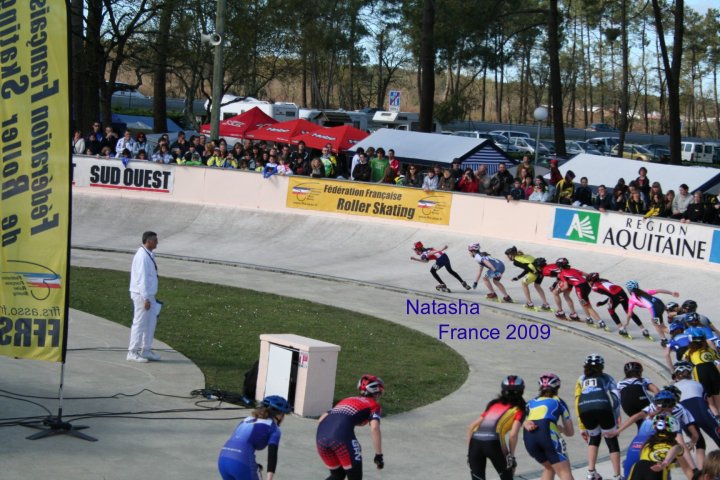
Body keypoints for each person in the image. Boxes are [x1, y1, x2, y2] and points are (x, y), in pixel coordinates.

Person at [316, 375, 385, 480]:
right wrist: (378, 455)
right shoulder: (373, 405)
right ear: (376, 392)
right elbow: (375, 428)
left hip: (321, 436)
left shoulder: (347, 399)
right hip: (341, 439)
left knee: (337, 475)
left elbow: (322, 418)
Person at [218, 395, 291, 480]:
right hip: (241, 462)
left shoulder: (246, 420)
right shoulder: (274, 428)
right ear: (279, 416)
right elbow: (272, 455)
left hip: (223, 459)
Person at [467, 375, 526, 480]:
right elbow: (513, 435)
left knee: (477, 477)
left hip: (475, 442)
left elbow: (471, 427)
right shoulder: (519, 409)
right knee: (507, 476)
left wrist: (470, 451)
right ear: (521, 391)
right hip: (494, 442)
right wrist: (511, 457)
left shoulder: (493, 405)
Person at [575, 354, 622, 480]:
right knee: (611, 440)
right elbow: (616, 397)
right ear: (602, 367)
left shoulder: (581, 379)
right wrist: (617, 416)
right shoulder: (607, 378)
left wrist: (581, 426)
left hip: (584, 408)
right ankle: (617, 475)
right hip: (603, 406)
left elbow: (576, 400)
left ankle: (591, 473)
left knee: (594, 438)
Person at [523, 373, 575, 480]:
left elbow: (519, 420)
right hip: (547, 433)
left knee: (550, 468)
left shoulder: (530, 402)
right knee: (564, 471)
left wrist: (525, 423)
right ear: (557, 387)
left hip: (529, 437)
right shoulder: (559, 401)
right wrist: (562, 429)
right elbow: (570, 432)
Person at [128, 231, 161, 363]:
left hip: (149, 295)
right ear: (149, 241)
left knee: (150, 322)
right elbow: (141, 279)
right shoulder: (142, 256)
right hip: (142, 295)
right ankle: (132, 351)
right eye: (155, 240)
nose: (157, 242)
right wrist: (146, 298)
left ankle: (146, 349)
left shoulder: (149, 254)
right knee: (140, 323)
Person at [672, 361, 720, 448]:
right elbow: (711, 405)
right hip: (701, 411)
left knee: (699, 444)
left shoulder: (672, 388)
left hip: (685, 416)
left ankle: (700, 462)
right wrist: (717, 417)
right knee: (716, 436)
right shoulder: (698, 384)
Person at [626, 414, 683, 480]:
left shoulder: (648, 442)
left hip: (638, 467)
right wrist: (665, 463)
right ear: (674, 431)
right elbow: (675, 449)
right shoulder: (675, 445)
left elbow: (641, 456)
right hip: (656, 469)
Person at [585, 273, 643, 337]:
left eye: (588, 282)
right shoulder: (605, 280)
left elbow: (610, 295)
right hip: (622, 292)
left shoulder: (594, 288)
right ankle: (644, 329)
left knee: (611, 310)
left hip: (615, 296)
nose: (588, 283)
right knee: (628, 311)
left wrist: (603, 303)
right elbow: (611, 292)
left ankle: (622, 329)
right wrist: (603, 302)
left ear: (591, 281)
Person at [555, 258, 606, 329]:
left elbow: (566, 286)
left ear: (560, 267)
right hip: (586, 285)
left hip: (580, 288)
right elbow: (587, 275)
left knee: (588, 306)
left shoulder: (562, 274)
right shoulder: (573, 269)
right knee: (584, 303)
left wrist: (559, 290)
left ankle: (600, 322)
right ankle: (588, 318)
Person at [682, 328, 720, 417]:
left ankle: (717, 418)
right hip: (713, 371)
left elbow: (683, 362)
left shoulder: (689, 352)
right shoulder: (709, 350)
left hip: (700, 372)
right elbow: (717, 359)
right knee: (717, 399)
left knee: (710, 401)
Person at [505, 246, 552, 311]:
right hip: (541, 270)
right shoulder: (525, 255)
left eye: (507, 256)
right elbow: (529, 266)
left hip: (535, 271)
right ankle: (546, 305)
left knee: (524, 284)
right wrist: (518, 277)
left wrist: (520, 277)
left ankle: (529, 303)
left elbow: (527, 269)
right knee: (537, 286)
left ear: (511, 255)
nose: (507, 257)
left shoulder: (515, 261)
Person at [618, 361, 660, 429]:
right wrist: (658, 404)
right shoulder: (642, 380)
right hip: (641, 400)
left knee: (640, 422)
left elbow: (618, 399)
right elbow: (656, 390)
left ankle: (641, 438)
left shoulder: (619, 383)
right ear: (639, 372)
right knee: (656, 419)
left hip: (627, 405)